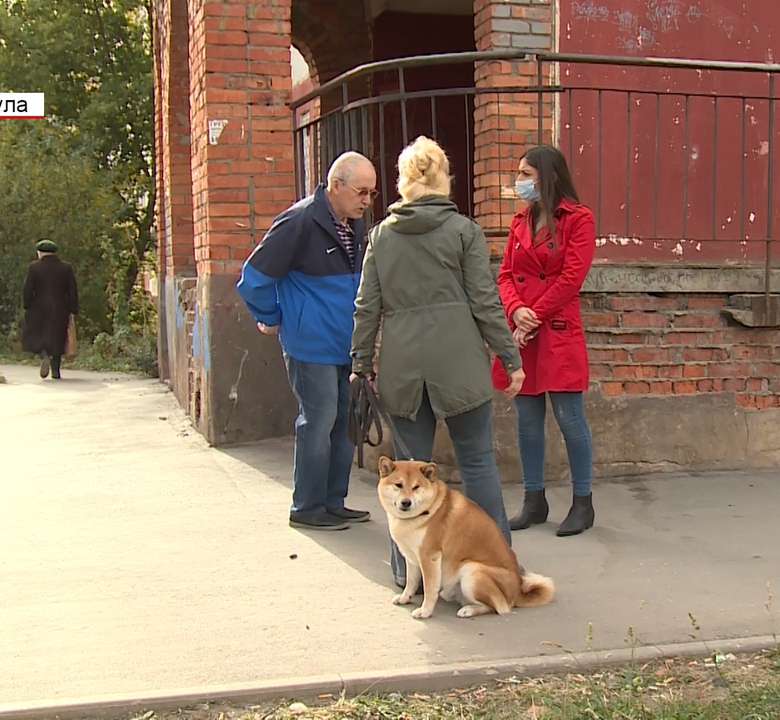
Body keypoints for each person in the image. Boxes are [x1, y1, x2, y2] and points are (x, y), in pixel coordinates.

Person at [350, 136, 525, 587]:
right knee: (478, 463)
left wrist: (361, 361)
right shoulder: (463, 231)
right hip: (459, 363)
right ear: (443, 178)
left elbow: (367, 306)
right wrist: (509, 356)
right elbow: (485, 301)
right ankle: (501, 563)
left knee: (406, 473)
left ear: (403, 182)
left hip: (403, 368)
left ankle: (404, 572)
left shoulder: (381, 237)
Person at [237, 152, 379, 532]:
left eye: (372, 193)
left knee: (345, 422)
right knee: (318, 421)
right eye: (361, 191)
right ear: (336, 185)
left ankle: (333, 501)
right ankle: (307, 505)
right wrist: (271, 318)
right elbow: (253, 278)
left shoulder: (354, 225)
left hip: (344, 343)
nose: (367, 200)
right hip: (310, 343)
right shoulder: (299, 221)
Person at [492, 145, 598, 537]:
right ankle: (534, 499)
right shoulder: (521, 220)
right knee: (526, 421)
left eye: (526, 174)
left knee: (570, 418)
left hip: (556, 331)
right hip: (524, 332)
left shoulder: (578, 218)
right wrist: (515, 309)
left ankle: (583, 502)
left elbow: (572, 277)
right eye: (519, 173)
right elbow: (505, 274)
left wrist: (532, 314)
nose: (519, 182)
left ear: (549, 176)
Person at [21, 239, 79, 380]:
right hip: (60, 308)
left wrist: (27, 304)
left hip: (39, 308)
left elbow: (28, 288)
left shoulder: (34, 267)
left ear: (40, 253)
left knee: (37, 335)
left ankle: (44, 356)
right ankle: (55, 371)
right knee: (58, 337)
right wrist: (73, 308)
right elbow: (72, 290)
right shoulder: (66, 267)